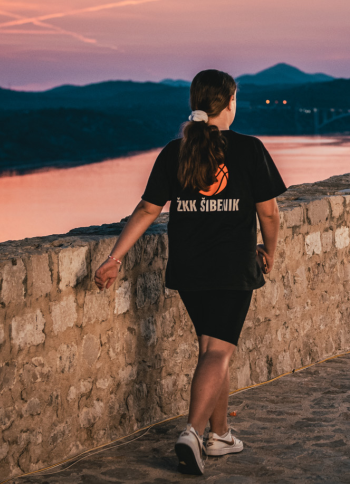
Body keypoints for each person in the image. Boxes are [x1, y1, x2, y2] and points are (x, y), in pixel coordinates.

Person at [93, 69, 286, 475]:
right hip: (232, 268)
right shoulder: (249, 149)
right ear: (230, 102)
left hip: (189, 268)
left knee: (211, 349)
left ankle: (220, 435)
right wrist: (269, 251)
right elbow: (269, 213)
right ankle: (193, 433)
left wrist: (115, 258)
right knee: (218, 351)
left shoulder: (175, 151)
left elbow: (147, 209)